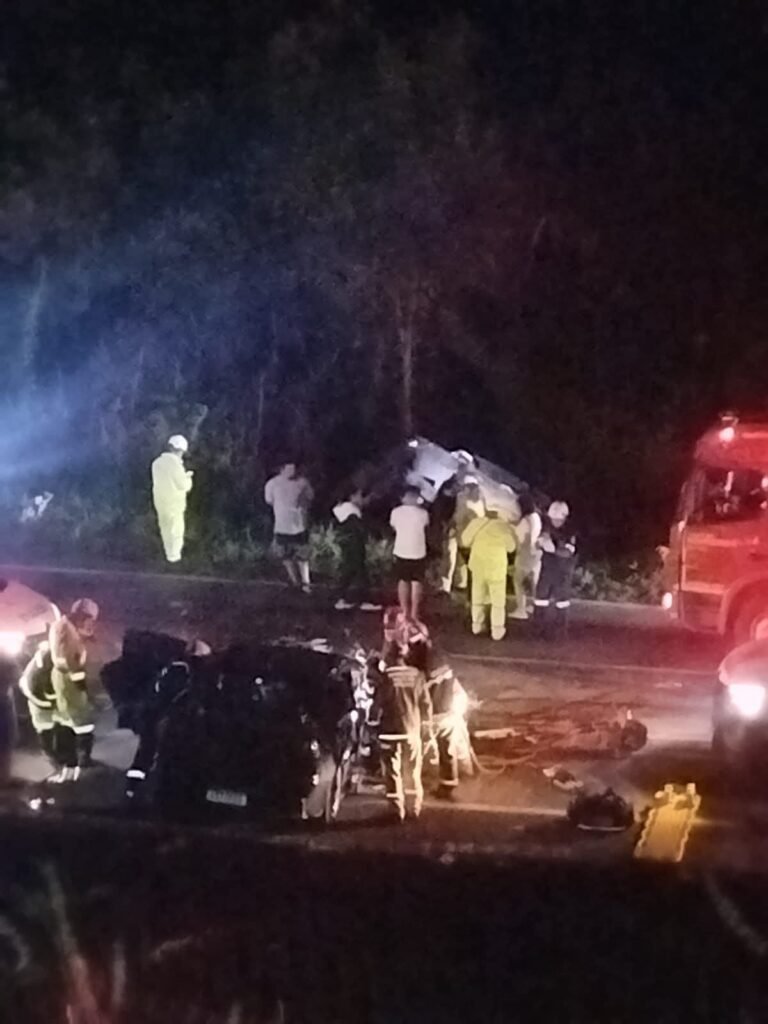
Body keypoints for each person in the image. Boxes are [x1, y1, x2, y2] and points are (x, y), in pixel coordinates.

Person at [125, 639, 211, 799]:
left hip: (157, 715)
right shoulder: (184, 670)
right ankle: (142, 791)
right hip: (166, 718)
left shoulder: (174, 667)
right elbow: (173, 696)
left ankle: (134, 789)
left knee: (148, 751)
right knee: (156, 752)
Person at [373, 641, 433, 822]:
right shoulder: (417, 676)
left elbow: (378, 704)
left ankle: (396, 810)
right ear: (405, 655)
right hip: (411, 729)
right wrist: (427, 729)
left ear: (390, 656)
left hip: (389, 731)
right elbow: (425, 704)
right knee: (412, 769)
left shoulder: (386, 676)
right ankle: (413, 808)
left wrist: (371, 725)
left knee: (392, 771)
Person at [407, 635, 471, 801]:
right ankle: (448, 785)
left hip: (431, 717)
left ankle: (413, 784)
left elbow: (417, 692)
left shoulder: (419, 663)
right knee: (447, 751)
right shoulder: (442, 658)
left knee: (418, 750)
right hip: (448, 714)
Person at [48, 598, 100, 780]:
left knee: (69, 717)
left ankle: (68, 758)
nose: (90, 623)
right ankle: (80, 759)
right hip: (69, 680)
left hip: (65, 678)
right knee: (81, 720)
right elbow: (70, 660)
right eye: (89, 619)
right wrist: (81, 685)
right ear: (84, 615)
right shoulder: (66, 630)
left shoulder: (65, 625)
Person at [460, 503, 517, 641]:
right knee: (498, 601)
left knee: (477, 597)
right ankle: (497, 630)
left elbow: (465, 541)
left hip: (478, 564)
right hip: (497, 567)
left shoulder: (476, 523)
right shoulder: (503, 526)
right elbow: (511, 547)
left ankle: (477, 625)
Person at [264, 461, 314, 593]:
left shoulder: (303, 483)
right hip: (282, 526)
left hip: (299, 525)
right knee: (286, 556)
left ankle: (306, 583)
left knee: (302, 556)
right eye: (289, 468)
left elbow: (310, 498)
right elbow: (269, 500)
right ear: (281, 469)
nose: (293, 471)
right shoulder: (272, 484)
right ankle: (294, 581)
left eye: (294, 468)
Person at [18, 640, 61, 779]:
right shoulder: (51, 662)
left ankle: (52, 755)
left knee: (46, 727)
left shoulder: (41, 660)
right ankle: (53, 758)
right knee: (49, 727)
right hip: (42, 700)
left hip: (38, 699)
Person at [332, 489, 381, 611]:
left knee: (349, 572)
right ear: (352, 496)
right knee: (360, 572)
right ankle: (364, 601)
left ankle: (340, 599)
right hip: (354, 544)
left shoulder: (342, 509)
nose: (364, 501)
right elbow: (357, 528)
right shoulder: (351, 511)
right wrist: (370, 535)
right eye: (360, 496)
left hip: (346, 544)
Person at [533, 501, 577, 637]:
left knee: (562, 601)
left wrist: (554, 549)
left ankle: (561, 631)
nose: (554, 522)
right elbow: (538, 544)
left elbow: (569, 552)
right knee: (540, 599)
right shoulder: (546, 527)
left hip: (563, 571)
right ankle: (538, 629)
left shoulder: (570, 532)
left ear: (564, 518)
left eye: (558, 519)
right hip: (547, 569)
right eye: (552, 519)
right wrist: (539, 543)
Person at [389, 486, 430, 622]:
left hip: (401, 550)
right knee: (416, 582)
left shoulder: (396, 512)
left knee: (403, 580)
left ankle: (404, 611)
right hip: (418, 551)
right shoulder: (423, 513)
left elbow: (393, 527)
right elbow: (426, 526)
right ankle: (414, 613)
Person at [152, 435, 193, 563]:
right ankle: (174, 558)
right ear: (180, 450)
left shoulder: (156, 463)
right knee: (176, 531)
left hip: (160, 503)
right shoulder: (175, 465)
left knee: (165, 529)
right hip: (174, 505)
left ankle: (168, 555)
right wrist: (188, 478)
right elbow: (183, 485)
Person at [441, 476, 484, 594]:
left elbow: (462, 517)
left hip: (465, 535)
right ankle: (453, 585)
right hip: (459, 533)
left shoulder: (474, 502)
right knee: (454, 560)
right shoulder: (462, 498)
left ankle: (457, 585)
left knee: (457, 561)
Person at [511, 491, 543, 620]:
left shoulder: (525, 520)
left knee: (518, 581)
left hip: (526, 553)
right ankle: (535, 606)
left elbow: (520, 537)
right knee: (535, 581)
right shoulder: (536, 516)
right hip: (537, 552)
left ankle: (521, 609)